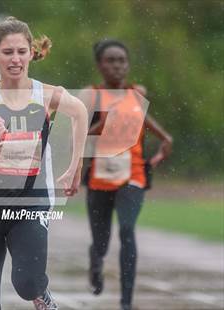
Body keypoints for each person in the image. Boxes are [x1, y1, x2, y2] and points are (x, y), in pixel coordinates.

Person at [0, 17, 87, 310]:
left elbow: (80, 112)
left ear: (31, 53)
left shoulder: (47, 95)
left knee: (27, 283)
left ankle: (43, 294)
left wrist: (74, 167)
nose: (15, 59)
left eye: (21, 51)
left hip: (31, 204)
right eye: (7, 52)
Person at [80, 39, 173, 310]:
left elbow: (141, 116)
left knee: (128, 230)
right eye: (111, 60)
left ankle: (126, 303)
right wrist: (101, 124)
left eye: (122, 60)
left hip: (132, 173)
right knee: (102, 242)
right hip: (100, 176)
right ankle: (95, 261)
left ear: (128, 64)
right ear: (100, 65)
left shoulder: (137, 92)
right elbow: (79, 136)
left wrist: (164, 137)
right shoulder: (91, 95)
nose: (117, 66)